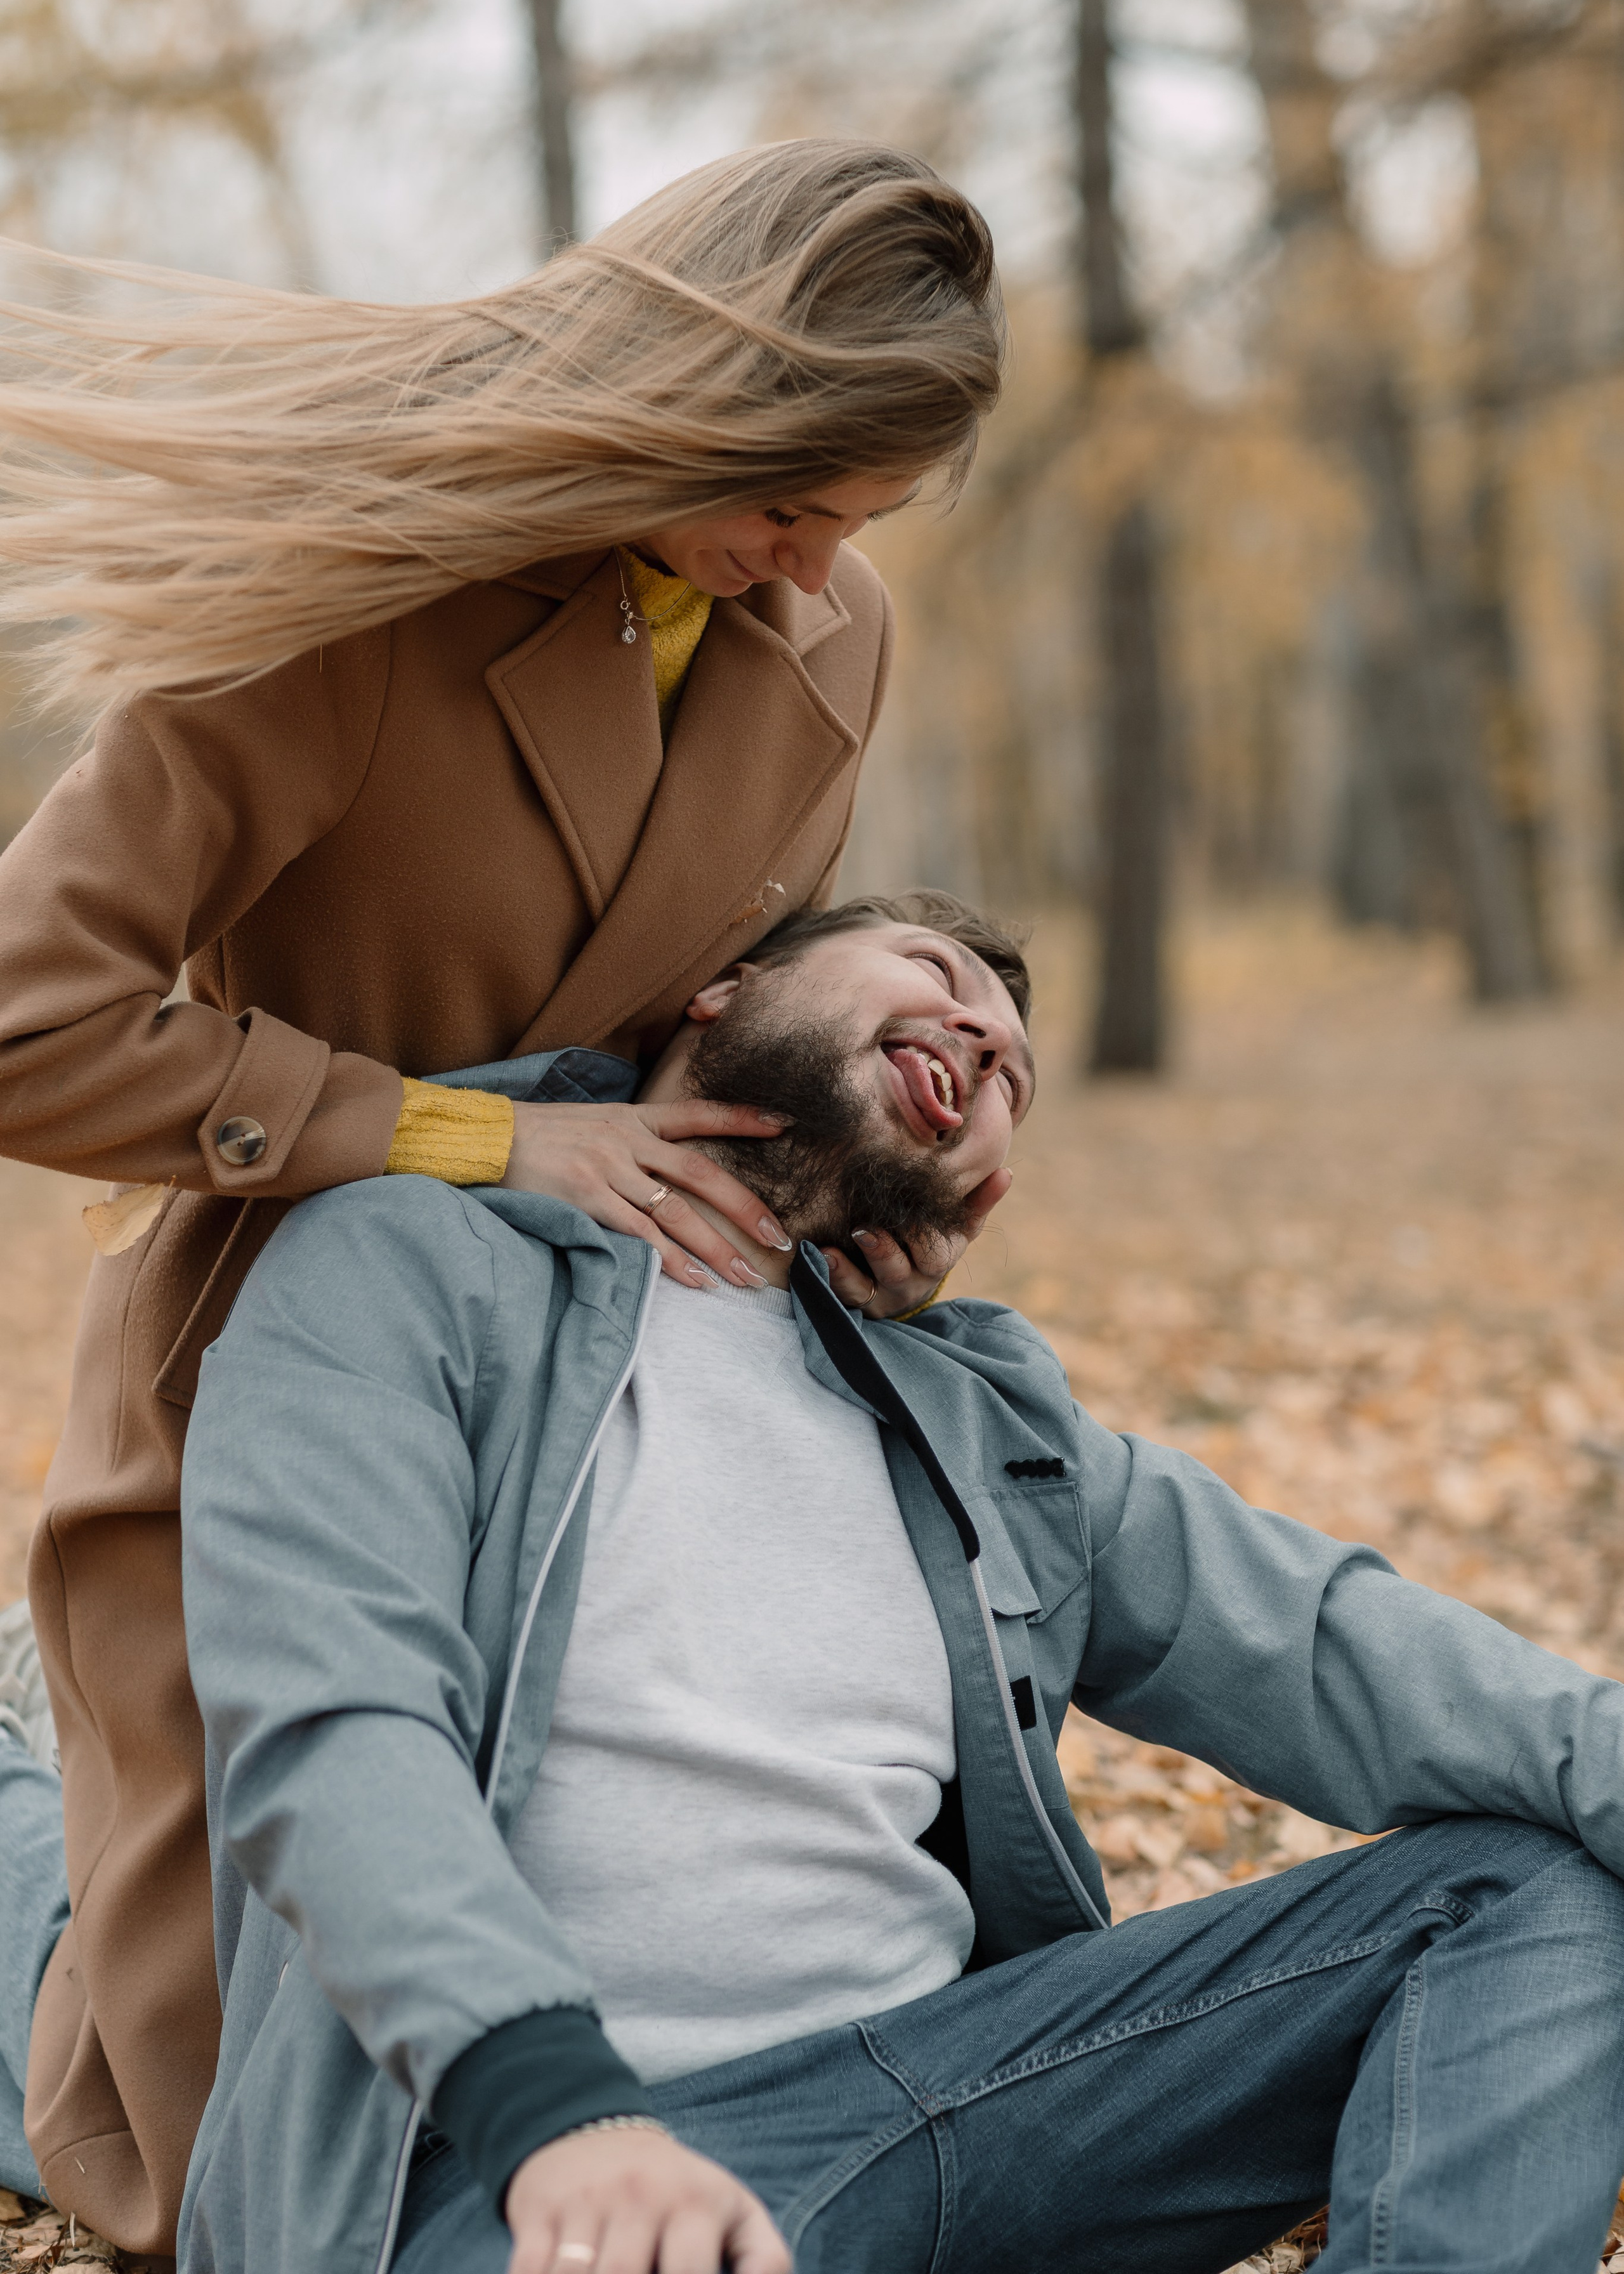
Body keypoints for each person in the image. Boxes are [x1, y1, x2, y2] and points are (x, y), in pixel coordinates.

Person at [0, 887, 1606, 2274]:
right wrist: (554, 2109)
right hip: (542, 2166)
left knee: (1534, 1890)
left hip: (962, 2090)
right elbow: (340, 1730)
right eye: (939, 976)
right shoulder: (408, 1269)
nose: (986, 1046)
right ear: (726, 987)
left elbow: (1336, 1647)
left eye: (1015, 1079)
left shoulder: (971, 1413)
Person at [0, 141, 1007, 2251]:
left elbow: (729, 995)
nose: (809, 567)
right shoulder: (343, 599)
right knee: (213, 2179)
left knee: (480, 2019)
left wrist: (860, 1172)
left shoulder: (825, 625)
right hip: (272, 1373)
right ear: (685, 410)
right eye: (784, 501)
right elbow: (28, 1020)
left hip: (607, 1390)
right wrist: (476, 1133)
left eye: (858, 522)